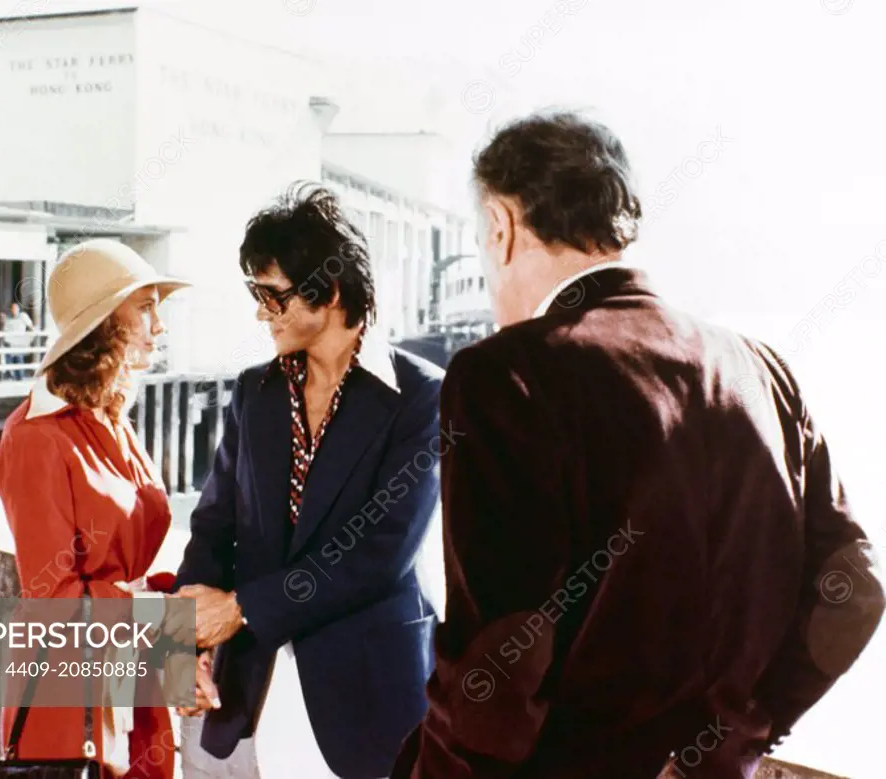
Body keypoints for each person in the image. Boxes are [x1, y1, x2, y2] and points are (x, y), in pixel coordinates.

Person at [392, 110, 885, 779]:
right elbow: (852, 587)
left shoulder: (505, 374)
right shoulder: (764, 370)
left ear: (501, 227)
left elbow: (498, 660)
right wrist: (742, 728)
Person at [174, 183, 445, 779]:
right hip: (249, 693)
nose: (259, 312)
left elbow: (381, 555)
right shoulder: (253, 390)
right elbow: (215, 525)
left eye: (272, 296)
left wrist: (241, 609)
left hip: (370, 696)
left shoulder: (421, 397)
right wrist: (182, 643)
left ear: (331, 291)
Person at [0, 239, 191, 778]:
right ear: (106, 324)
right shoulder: (34, 437)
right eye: (146, 308)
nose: (160, 325)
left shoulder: (111, 418)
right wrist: (172, 622)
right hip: (69, 695)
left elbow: (136, 568)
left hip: (131, 675)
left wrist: (183, 633)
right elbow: (54, 595)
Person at [1, 300, 35, 380]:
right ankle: (11, 376)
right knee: (9, 360)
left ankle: (19, 378)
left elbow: (31, 326)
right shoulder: (8, 319)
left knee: (19, 359)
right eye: (12, 308)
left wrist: (29, 338)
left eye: (15, 308)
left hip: (19, 342)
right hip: (10, 342)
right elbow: (5, 330)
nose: (14, 310)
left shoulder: (23, 316)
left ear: (18, 309)